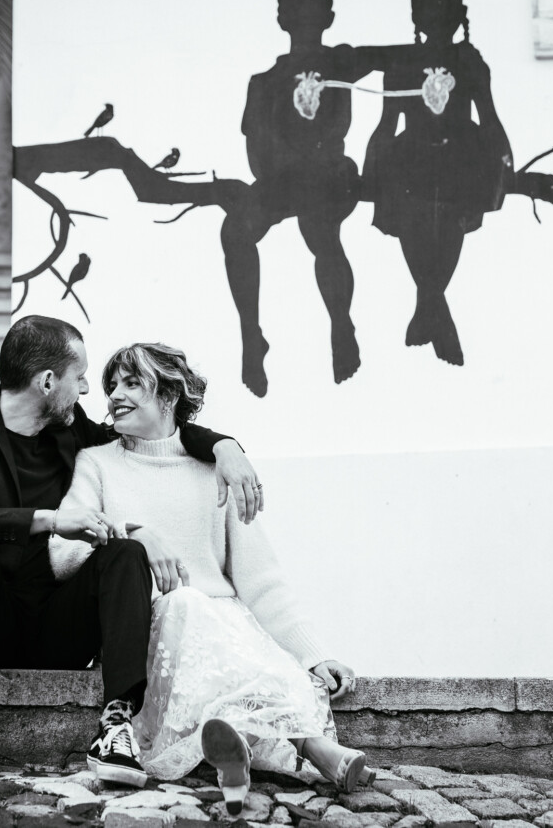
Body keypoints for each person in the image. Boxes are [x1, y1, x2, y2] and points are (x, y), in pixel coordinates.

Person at [0, 316, 264, 784]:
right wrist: (49, 520)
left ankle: (116, 725)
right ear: (48, 381)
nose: (87, 393)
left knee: (125, 554)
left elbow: (151, 430)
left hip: (52, 622)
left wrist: (224, 447)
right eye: (80, 379)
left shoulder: (71, 432)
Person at [53, 343, 372, 812]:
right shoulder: (97, 463)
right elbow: (62, 555)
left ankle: (234, 755)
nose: (115, 395)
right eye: (112, 385)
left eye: (131, 382)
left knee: (226, 625)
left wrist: (314, 654)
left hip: (224, 628)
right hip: (151, 631)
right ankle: (313, 749)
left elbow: (261, 580)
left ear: (169, 396)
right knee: (185, 602)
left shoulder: (215, 471)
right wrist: (132, 534)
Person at [220, 0, 363, 397]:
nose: (302, 19)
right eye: (295, 10)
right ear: (282, 18)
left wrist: (309, 165)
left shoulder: (338, 69)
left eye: (310, 11)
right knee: (235, 229)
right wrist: (283, 171)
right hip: (282, 180)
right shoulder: (262, 82)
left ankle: (341, 321)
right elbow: (256, 150)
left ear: (327, 18)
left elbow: (339, 125)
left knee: (319, 230)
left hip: (327, 176)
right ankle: (252, 334)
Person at [360, 0, 512, 366]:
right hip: (410, 159)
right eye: (429, 9)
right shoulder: (401, 63)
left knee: (449, 219)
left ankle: (429, 304)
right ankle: (435, 307)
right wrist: (371, 166)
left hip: (462, 158)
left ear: (461, 15)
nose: (438, 16)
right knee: (412, 219)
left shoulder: (471, 61)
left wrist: (504, 158)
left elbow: (489, 115)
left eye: (446, 8)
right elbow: (387, 121)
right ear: (416, 16)